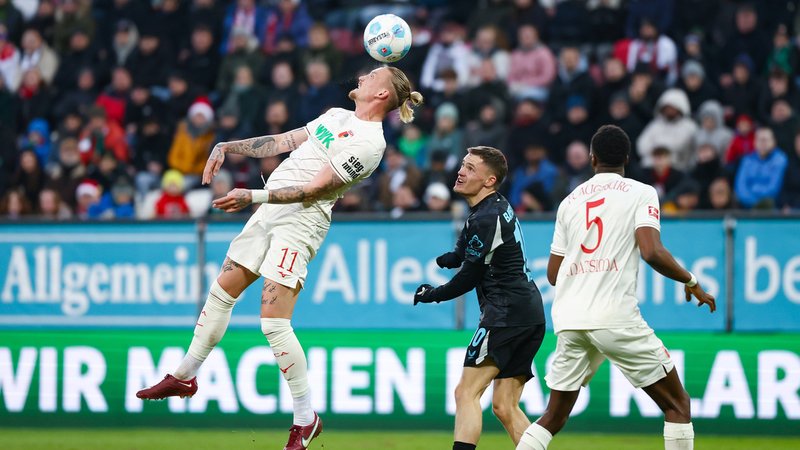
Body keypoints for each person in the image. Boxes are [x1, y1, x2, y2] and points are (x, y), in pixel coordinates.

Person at [136, 66, 423, 450]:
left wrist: (251, 196)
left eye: (372, 75)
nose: (363, 76)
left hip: (301, 221)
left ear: (383, 95)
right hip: (270, 211)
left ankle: (306, 419)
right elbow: (283, 140)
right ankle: (185, 375)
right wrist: (227, 146)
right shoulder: (337, 116)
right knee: (223, 289)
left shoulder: (370, 143)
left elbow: (313, 190)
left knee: (273, 323)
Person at [516, 125, 716, 450]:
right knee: (678, 405)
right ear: (626, 157)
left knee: (552, 417)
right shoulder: (641, 192)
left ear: (592, 159)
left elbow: (554, 274)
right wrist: (690, 281)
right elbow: (652, 251)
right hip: (614, 318)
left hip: (569, 320)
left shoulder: (569, 202)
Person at [413, 146, 545, 450]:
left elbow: (470, 276)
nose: (461, 171)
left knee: (466, 392)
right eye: (463, 165)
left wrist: (433, 294)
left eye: (471, 168)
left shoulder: (487, 217)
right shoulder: (493, 207)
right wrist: (456, 254)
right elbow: (475, 242)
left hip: (505, 315)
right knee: (505, 406)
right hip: (529, 313)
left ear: (490, 180)